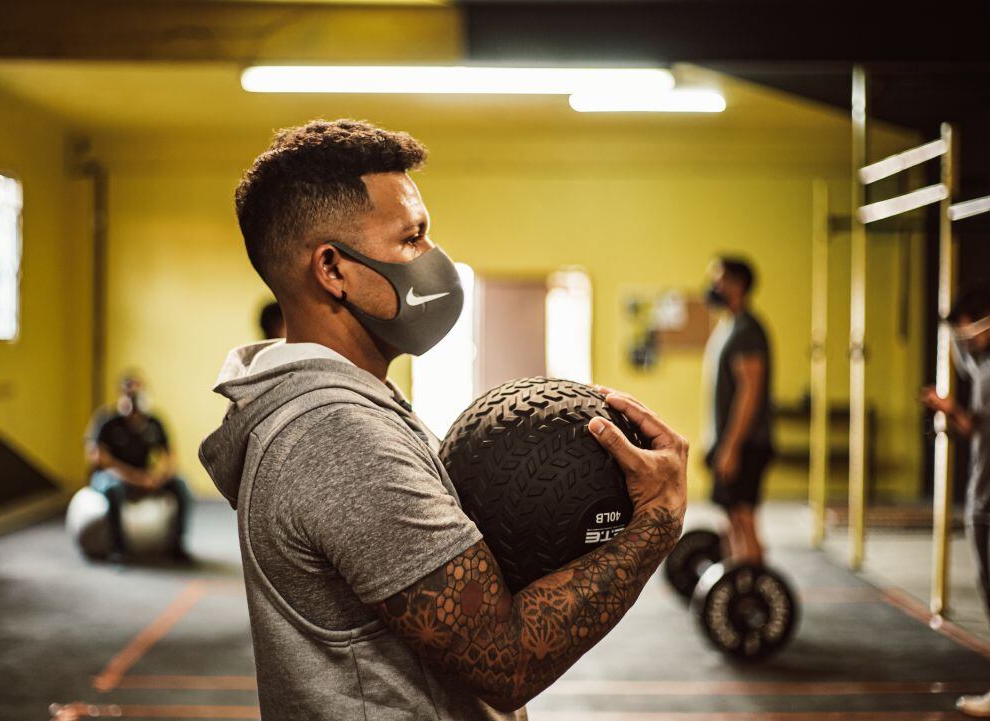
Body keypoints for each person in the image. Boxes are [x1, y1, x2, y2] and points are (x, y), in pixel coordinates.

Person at [199, 119, 688, 720]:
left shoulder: (353, 408)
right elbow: (505, 662)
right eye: (412, 239)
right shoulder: (338, 439)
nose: (433, 259)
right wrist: (657, 521)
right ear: (332, 270)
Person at [920, 284, 990, 717]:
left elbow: (973, 427)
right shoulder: (980, 365)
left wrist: (947, 407)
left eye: (967, 335)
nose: (964, 346)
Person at [702, 256, 773, 566]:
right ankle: (734, 585)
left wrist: (731, 446)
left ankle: (753, 588)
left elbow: (750, 392)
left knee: (744, 519)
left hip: (747, 443)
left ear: (737, 284)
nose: (713, 286)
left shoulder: (747, 330)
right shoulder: (730, 326)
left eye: (718, 279)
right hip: (730, 442)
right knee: (731, 516)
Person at [86, 374, 192, 564]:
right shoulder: (107, 420)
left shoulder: (154, 422)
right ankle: (118, 549)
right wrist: (136, 478)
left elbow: (170, 456)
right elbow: (99, 458)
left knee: (181, 485)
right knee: (113, 489)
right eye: (129, 393)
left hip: (145, 478)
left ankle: (177, 545)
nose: (134, 399)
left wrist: (160, 477)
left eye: (138, 393)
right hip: (113, 478)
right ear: (121, 395)